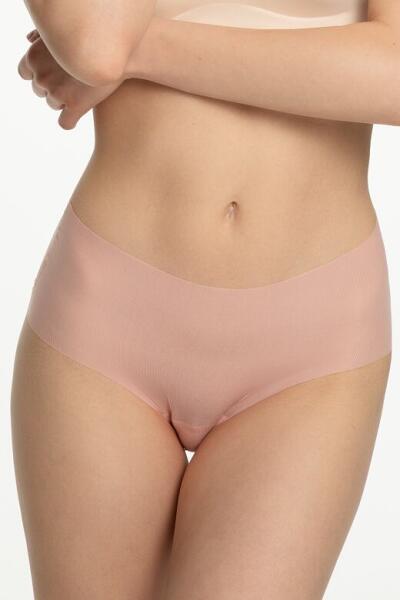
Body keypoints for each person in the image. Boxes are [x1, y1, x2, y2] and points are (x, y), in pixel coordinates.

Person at [11, 0, 394, 598]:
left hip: (311, 347)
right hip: (108, 322)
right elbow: (96, 45)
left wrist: (144, 52)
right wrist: (118, 57)